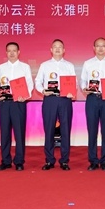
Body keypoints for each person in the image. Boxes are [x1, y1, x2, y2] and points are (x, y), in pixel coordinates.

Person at [34, 39, 76, 171]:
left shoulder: (69, 66)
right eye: (55, 47)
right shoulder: (44, 65)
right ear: (51, 50)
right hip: (50, 100)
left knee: (65, 130)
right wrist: (43, 91)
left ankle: (64, 161)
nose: (57, 49)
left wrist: (72, 92)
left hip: (65, 100)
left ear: (64, 50)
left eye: (60, 47)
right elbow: (37, 81)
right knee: (49, 130)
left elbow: (74, 83)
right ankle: (49, 160)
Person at [0, 42, 33, 172]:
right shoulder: (1, 68)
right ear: (6, 52)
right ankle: (6, 161)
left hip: (19, 103)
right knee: (5, 133)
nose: (11, 53)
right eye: (9, 51)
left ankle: (19, 161)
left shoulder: (25, 67)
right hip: (4, 103)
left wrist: (25, 96)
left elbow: (29, 84)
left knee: (19, 133)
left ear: (18, 52)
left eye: (14, 50)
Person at [80, 37, 105, 171]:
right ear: (94, 48)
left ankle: (104, 160)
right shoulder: (87, 63)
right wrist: (84, 88)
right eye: (98, 46)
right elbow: (83, 80)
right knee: (92, 131)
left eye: (103, 46)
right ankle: (93, 160)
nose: (100, 48)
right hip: (92, 99)